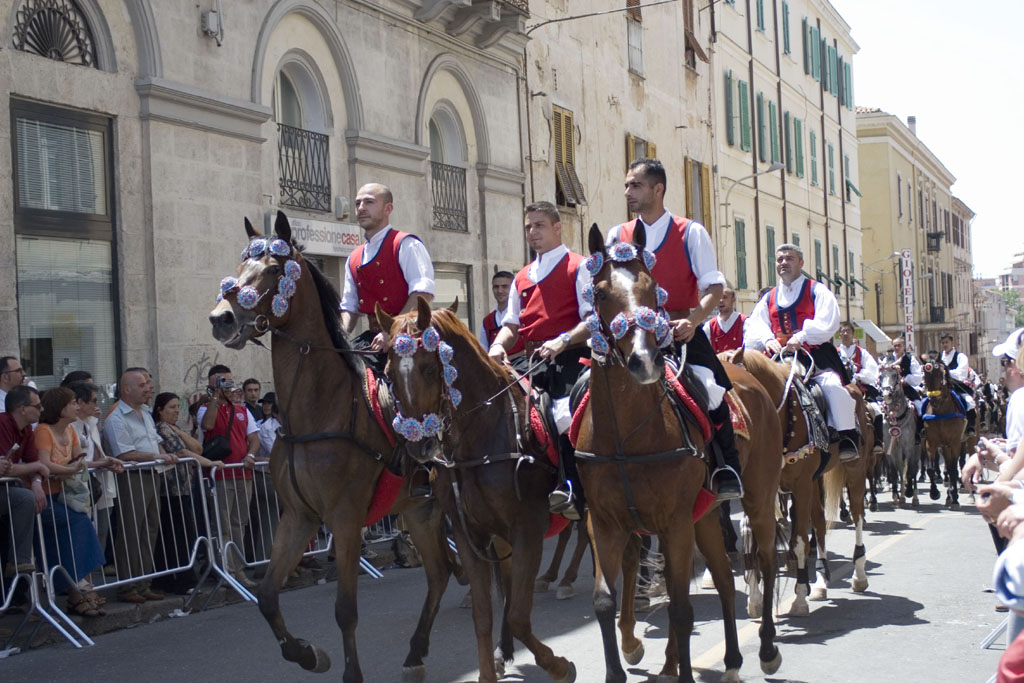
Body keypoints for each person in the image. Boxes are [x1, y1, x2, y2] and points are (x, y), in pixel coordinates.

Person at [608, 158, 742, 499]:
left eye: (635, 185)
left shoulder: (690, 232)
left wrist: (694, 321)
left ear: (658, 189)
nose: (628, 192)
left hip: (678, 333)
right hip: (629, 337)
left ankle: (728, 468)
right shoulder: (616, 235)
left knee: (712, 389)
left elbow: (714, 288)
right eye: (626, 185)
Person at [488, 201, 592, 517]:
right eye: (528, 227)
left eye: (539, 226)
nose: (532, 233)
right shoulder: (522, 276)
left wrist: (562, 340)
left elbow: (591, 320)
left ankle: (572, 485)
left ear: (557, 228)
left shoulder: (580, 266)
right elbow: (511, 325)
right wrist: (497, 346)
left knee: (563, 414)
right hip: (532, 359)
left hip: (570, 357)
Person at [748, 243, 860, 461]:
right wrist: (768, 339)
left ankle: (846, 436)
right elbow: (755, 324)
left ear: (801, 263)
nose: (783, 263)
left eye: (789, 258)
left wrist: (802, 336)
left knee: (832, 386)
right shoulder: (769, 297)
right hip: (778, 356)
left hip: (813, 353)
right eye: (780, 259)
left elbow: (828, 320)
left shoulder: (816, 290)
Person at [34, 387, 121, 617]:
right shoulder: (44, 430)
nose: (76, 407)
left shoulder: (71, 431)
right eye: (72, 403)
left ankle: (79, 591)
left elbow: (79, 461)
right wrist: (70, 468)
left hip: (66, 494)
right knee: (77, 523)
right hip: (45, 496)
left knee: (80, 524)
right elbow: (45, 464)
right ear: (60, 408)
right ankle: (80, 589)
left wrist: (102, 463)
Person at [103, 368, 176, 603]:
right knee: (131, 531)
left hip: (152, 474)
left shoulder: (144, 412)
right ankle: (128, 586)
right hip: (132, 476)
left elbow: (154, 443)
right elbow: (124, 453)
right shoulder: (116, 418)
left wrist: (164, 455)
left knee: (150, 529)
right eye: (142, 384)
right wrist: (157, 457)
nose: (148, 388)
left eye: (147, 383)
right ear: (127, 389)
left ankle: (144, 582)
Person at [339, 183, 435, 352]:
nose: (361, 208)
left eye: (369, 202)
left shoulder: (406, 244)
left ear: (388, 208)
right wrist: (337, 336)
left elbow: (422, 294)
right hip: (374, 338)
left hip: (411, 336)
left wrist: (393, 330)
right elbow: (349, 306)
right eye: (357, 203)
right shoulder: (353, 258)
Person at [152, 392, 224, 593]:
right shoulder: (161, 428)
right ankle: (180, 581)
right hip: (171, 489)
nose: (177, 411)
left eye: (178, 406)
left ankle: (182, 579)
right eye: (172, 407)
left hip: (183, 487)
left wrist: (179, 431)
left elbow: (197, 448)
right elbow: (182, 452)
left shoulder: (173, 428)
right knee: (177, 535)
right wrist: (210, 463)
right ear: (160, 410)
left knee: (184, 533)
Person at [198, 367, 261, 590]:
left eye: (228, 382)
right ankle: (225, 570)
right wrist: (215, 397)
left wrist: (251, 455)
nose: (227, 386)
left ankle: (238, 569)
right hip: (221, 476)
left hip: (243, 474)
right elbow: (207, 425)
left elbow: (253, 438)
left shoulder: (243, 410)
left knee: (238, 524)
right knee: (222, 525)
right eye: (220, 383)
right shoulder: (205, 408)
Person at [0, 386, 49, 610]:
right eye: (37, 406)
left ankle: (20, 567)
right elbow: (6, 469)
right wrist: (35, 468)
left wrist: (37, 483)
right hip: (6, 488)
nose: (42, 409)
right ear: (21, 409)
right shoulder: (2, 424)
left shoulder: (26, 429)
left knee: (29, 498)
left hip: (10, 488)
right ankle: (19, 561)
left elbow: (32, 462)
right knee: (23, 498)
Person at [67, 380, 117, 556]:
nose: (97, 405)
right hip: (78, 488)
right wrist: (102, 463)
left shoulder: (91, 423)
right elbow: (73, 461)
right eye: (94, 400)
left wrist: (109, 461)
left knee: (99, 532)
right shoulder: (69, 426)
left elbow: (97, 453)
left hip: (96, 485)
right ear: (80, 402)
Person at [837, 321, 884, 455]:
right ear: (839, 334)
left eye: (848, 331)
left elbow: (872, 371)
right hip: (840, 388)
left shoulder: (861, 353)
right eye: (843, 331)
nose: (845, 334)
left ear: (853, 334)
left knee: (876, 409)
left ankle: (878, 442)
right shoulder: (835, 352)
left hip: (860, 387)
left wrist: (858, 376)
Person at [939, 331, 977, 435]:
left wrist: (945, 371)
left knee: (969, 402)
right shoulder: (939, 358)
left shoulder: (960, 357)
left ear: (952, 342)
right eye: (942, 343)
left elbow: (961, 374)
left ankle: (971, 426)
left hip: (957, 387)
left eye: (946, 342)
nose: (944, 345)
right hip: (940, 389)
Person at [479, 271, 525, 357]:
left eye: (505, 286)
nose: (500, 291)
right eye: (496, 287)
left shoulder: (523, 315)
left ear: (513, 289)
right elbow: (484, 350)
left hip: (523, 367)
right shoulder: (487, 321)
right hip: (497, 367)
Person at [702, 285, 749, 354]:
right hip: (718, 364)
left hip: (739, 363)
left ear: (733, 299)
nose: (721, 301)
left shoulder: (745, 321)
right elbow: (702, 344)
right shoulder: (710, 325)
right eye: (719, 297)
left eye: (725, 297)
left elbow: (749, 346)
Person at [257, 392, 280, 457]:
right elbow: (273, 450)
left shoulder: (277, 423)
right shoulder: (259, 423)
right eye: (264, 403)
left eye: (269, 403)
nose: (266, 406)